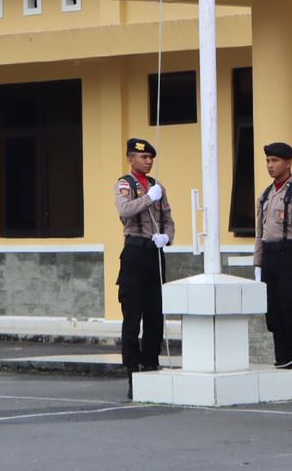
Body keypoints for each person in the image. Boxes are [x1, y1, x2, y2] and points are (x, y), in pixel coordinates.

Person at [252, 141, 292, 397]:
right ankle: (281, 368)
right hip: (270, 258)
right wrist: (258, 264)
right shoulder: (266, 195)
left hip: (289, 258)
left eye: (275, 161)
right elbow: (259, 234)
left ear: (288, 163)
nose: (270, 165)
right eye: (268, 161)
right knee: (275, 319)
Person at [114, 138, 175, 399]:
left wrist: (167, 238)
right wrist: (148, 198)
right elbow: (125, 210)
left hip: (154, 253)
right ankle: (132, 367)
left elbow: (169, 219)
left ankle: (151, 361)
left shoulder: (158, 186)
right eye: (143, 157)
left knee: (155, 312)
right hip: (135, 253)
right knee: (132, 314)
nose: (148, 161)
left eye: (151, 157)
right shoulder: (125, 184)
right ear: (131, 158)